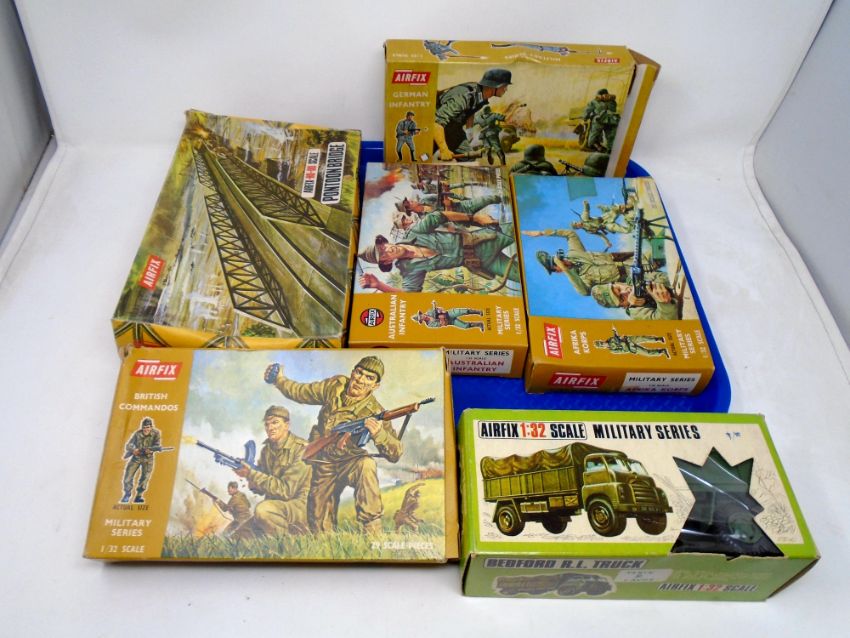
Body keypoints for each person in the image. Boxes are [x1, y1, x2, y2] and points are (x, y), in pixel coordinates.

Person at [265, 356, 402, 535]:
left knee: (366, 465)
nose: (360, 380)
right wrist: (279, 380)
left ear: (375, 386)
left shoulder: (376, 411)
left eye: (369, 378)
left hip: (351, 461)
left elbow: (395, 453)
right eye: (359, 373)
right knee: (319, 524)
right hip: (324, 461)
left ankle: (373, 534)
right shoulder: (335, 386)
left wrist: (379, 434)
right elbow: (301, 392)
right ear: (352, 372)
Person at [358, 209, 519, 293]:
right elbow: (409, 295)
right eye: (384, 254)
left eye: (383, 246)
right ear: (387, 262)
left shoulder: (414, 233)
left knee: (522, 228)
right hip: (484, 263)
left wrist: (474, 218)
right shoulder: (409, 269)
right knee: (522, 276)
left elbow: (439, 216)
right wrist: (379, 285)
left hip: (488, 239)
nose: (388, 249)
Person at [233, 405, 311, 537]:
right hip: (274, 507)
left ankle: (289, 542)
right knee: (238, 537)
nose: (270, 428)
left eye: (275, 422)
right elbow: (262, 487)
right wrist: (249, 477)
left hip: (298, 507)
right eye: (267, 424)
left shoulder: (302, 449)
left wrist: (252, 473)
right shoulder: (267, 450)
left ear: (287, 425)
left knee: (263, 510)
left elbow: (286, 491)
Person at [523, 228, 648, 295]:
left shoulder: (574, 253)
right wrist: (567, 271)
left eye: (560, 259)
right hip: (633, 276)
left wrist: (542, 233)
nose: (563, 261)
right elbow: (585, 292)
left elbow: (570, 234)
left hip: (630, 258)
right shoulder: (580, 280)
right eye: (558, 264)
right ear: (559, 270)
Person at [434, 68, 511, 160]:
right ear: (494, 86)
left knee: (469, 159)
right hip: (433, 128)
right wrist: (443, 150)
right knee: (423, 156)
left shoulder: (481, 96)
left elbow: (471, 110)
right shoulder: (464, 96)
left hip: (453, 129)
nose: (506, 89)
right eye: (504, 86)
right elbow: (437, 122)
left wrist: (469, 131)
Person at [589, 272, 679, 320]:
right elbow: (664, 321)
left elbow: (666, 277)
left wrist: (644, 287)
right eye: (622, 298)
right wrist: (664, 304)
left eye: (619, 289)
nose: (625, 292)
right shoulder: (635, 312)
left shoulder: (635, 278)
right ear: (624, 306)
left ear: (618, 283)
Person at [121, 417, 162, 504]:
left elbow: (157, 445)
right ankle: (127, 494)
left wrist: (151, 450)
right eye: (144, 427)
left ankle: (138, 496)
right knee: (128, 476)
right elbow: (128, 445)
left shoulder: (156, 433)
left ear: (151, 427)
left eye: (148, 427)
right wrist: (134, 450)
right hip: (136, 458)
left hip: (148, 459)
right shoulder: (137, 434)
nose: (146, 429)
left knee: (145, 478)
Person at [581, 88, 620, 153]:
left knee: (611, 134)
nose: (603, 96)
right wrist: (585, 118)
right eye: (601, 95)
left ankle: (610, 148)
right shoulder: (594, 102)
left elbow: (613, 109)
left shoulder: (612, 101)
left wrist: (610, 100)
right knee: (594, 134)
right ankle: (595, 146)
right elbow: (588, 110)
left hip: (610, 120)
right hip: (598, 119)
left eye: (605, 95)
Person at [594, 327, 670, 358]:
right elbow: (624, 351)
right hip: (631, 348)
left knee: (643, 338)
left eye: (602, 342)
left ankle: (658, 339)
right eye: (602, 345)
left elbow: (618, 337)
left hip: (629, 340)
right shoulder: (612, 350)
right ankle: (662, 351)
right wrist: (623, 343)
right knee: (647, 353)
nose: (603, 344)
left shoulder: (610, 339)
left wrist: (619, 337)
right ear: (603, 347)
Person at [412, 304, 484, 331]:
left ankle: (478, 312)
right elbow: (441, 324)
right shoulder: (429, 324)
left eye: (421, 315)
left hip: (449, 314)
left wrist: (439, 310)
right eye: (421, 318)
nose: (422, 317)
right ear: (421, 320)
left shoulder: (429, 311)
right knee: (465, 326)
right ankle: (479, 324)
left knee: (463, 311)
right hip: (450, 322)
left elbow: (440, 309)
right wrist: (439, 319)